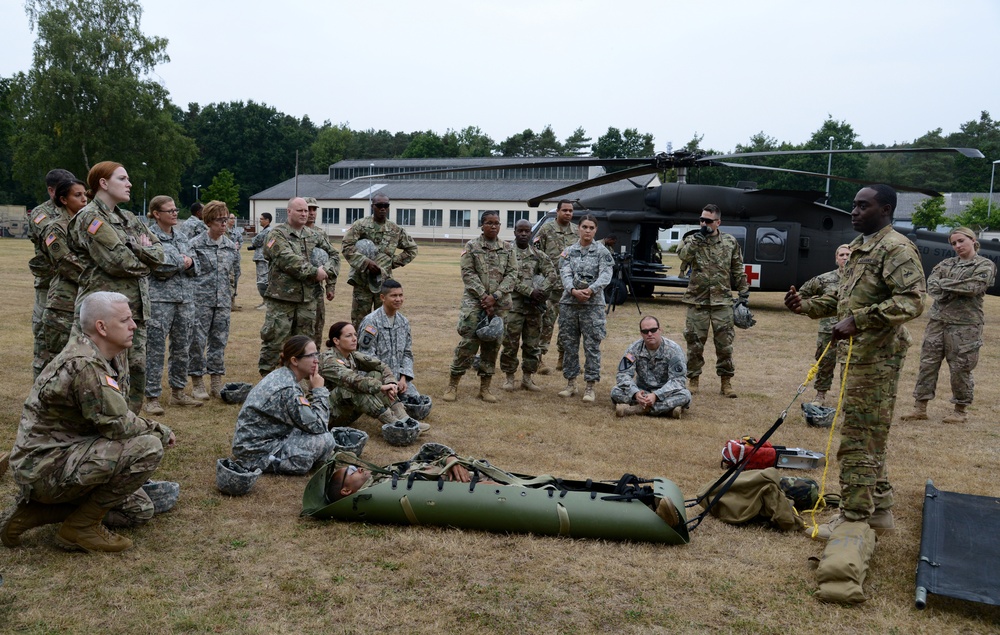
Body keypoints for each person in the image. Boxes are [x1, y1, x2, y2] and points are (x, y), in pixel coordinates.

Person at [784, 184, 925, 540]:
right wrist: (807, 306)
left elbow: (912, 301)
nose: (854, 211)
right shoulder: (862, 248)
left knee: (859, 438)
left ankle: (853, 516)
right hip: (857, 357)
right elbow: (846, 301)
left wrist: (860, 322)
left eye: (864, 206)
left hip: (877, 358)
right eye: (854, 205)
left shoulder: (895, 248)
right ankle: (879, 508)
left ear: (886, 210)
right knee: (870, 435)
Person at [2, 292, 175, 553]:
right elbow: (118, 425)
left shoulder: (109, 353)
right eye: (125, 320)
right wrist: (160, 430)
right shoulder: (85, 365)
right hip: (43, 468)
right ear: (101, 327)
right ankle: (81, 527)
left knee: (139, 510)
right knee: (148, 447)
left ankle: (39, 513)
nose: (133, 326)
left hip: (66, 454)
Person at [68, 161, 164, 414]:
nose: (129, 183)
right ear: (103, 183)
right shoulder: (90, 218)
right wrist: (146, 258)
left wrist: (142, 252)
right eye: (123, 178)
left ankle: (129, 428)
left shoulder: (129, 218)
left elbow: (161, 253)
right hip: (103, 315)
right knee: (99, 376)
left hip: (132, 313)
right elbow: (119, 262)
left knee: (136, 373)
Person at [900, 227, 996, 424]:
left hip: (965, 325)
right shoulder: (946, 263)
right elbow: (932, 285)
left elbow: (974, 287)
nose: (957, 246)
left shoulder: (985, 265)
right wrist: (949, 285)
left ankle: (960, 411)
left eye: (961, 241)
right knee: (927, 364)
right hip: (937, 322)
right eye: (953, 243)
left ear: (972, 239)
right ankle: (920, 408)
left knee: (961, 367)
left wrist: (944, 284)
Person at [232, 335, 336, 475]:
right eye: (311, 356)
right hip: (255, 452)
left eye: (317, 354)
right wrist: (318, 391)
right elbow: (319, 426)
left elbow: (307, 420)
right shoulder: (288, 389)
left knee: (318, 438)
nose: (316, 360)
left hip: (253, 443)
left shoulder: (283, 375)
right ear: (294, 360)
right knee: (326, 440)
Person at [443, 211, 517, 403]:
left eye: (497, 223)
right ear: (482, 225)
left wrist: (496, 296)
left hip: (499, 303)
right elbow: (467, 273)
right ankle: (453, 384)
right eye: (489, 223)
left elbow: (512, 275)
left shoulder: (508, 248)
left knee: (493, 344)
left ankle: (485, 387)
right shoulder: (472, 246)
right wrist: (484, 296)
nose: (493, 226)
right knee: (469, 342)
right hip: (475, 301)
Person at [258, 197, 337, 375]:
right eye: (300, 210)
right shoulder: (276, 235)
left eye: (306, 211)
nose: (305, 213)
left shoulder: (313, 235)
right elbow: (287, 259)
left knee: (304, 345)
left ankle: (299, 384)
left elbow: (334, 255)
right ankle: (268, 382)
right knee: (275, 342)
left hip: (307, 300)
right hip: (282, 300)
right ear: (289, 212)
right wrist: (314, 272)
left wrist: (326, 270)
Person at [677, 203, 749, 398]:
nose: (703, 223)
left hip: (722, 302)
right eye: (701, 219)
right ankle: (693, 380)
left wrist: (743, 294)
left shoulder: (730, 242)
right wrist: (695, 243)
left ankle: (726, 382)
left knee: (724, 345)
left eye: (708, 221)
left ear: (718, 222)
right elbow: (682, 256)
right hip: (697, 301)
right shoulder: (692, 239)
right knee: (694, 343)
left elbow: (738, 269)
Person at [144, 195, 202, 415]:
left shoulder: (182, 235)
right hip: (160, 301)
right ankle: (152, 397)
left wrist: (185, 261)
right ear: (157, 214)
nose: (175, 213)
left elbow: (197, 263)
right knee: (155, 350)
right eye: (170, 211)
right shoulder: (149, 236)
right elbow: (158, 267)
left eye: (176, 210)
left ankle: (178, 392)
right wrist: (182, 261)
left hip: (185, 300)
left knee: (182, 348)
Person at [319, 321, 427, 431]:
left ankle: (404, 418)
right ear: (336, 340)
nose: (354, 339)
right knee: (353, 388)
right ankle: (397, 426)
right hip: (327, 416)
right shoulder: (328, 360)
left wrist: (391, 383)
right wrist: (380, 387)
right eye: (348, 336)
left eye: (355, 335)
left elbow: (381, 366)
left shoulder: (351, 355)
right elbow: (353, 380)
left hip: (346, 411)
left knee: (376, 374)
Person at [322, 443, 501, 504]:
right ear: (346, 491)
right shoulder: (379, 493)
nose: (358, 468)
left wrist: (449, 459)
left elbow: (427, 449)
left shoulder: (387, 473)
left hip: (473, 474)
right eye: (352, 471)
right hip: (474, 487)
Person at [557, 214, 613, 402]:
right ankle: (571, 384)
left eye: (591, 228)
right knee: (569, 345)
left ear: (596, 230)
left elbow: (606, 275)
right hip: (570, 304)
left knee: (592, 346)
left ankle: (590, 387)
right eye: (584, 227)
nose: (588, 231)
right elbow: (565, 273)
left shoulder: (602, 252)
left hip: (593, 305)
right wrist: (573, 290)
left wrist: (590, 290)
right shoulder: (569, 251)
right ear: (578, 228)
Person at [35, 178, 87, 377]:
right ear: (64, 199)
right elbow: (67, 263)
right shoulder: (55, 228)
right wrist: (101, 275)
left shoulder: (86, 224)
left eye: (85, 194)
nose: (84, 199)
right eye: (78, 195)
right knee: (55, 361)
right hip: (64, 304)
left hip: (86, 300)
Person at [341, 193, 418, 328]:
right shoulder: (361, 225)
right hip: (362, 282)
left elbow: (412, 249)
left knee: (384, 322)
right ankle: (359, 349)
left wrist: (391, 263)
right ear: (373, 207)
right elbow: (347, 247)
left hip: (384, 284)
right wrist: (366, 263)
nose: (383, 208)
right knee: (360, 323)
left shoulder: (395, 229)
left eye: (386, 206)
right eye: (379, 205)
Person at [27, 168, 77, 375]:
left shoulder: (79, 210)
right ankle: (40, 395)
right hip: (49, 286)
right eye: (63, 190)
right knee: (46, 340)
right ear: (51, 191)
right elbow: (56, 238)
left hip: (74, 286)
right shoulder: (42, 214)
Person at [188, 201, 239, 399]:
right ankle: (197, 381)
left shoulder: (229, 246)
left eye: (226, 220)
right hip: (200, 301)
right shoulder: (195, 245)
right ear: (209, 221)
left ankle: (216, 380)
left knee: (219, 340)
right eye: (220, 220)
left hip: (223, 302)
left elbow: (232, 274)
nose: (224, 224)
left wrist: (231, 295)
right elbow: (191, 274)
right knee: (197, 342)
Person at [500, 219, 554, 392]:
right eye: (520, 231)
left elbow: (552, 274)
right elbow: (506, 278)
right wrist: (529, 291)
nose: (523, 234)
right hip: (513, 307)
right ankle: (509, 378)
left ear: (531, 233)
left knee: (532, 345)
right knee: (510, 344)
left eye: (527, 231)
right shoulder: (506, 253)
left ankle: (527, 378)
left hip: (533, 309)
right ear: (514, 232)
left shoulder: (538, 255)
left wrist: (541, 290)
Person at [797, 244, 852, 405]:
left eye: (848, 254)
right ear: (836, 258)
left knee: (848, 365)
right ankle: (820, 395)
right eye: (841, 255)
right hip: (828, 330)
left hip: (851, 330)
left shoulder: (860, 280)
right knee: (825, 362)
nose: (845, 257)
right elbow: (802, 293)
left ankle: (846, 399)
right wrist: (814, 305)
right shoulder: (825, 279)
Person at [611, 316, 692, 418]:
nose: (649, 334)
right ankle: (667, 411)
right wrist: (635, 393)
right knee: (615, 391)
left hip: (665, 393)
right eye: (645, 331)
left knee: (685, 395)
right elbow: (623, 374)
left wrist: (656, 395)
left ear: (660, 330)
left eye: (653, 330)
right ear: (641, 333)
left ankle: (636, 409)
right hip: (642, 392)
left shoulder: (673, 350)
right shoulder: (634, 349)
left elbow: (678, 380)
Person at [358, 279, 422, 399]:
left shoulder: (403, 322)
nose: (398, 299)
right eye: (393, 296)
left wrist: (403, 379)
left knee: (417, 405)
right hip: (376, 378)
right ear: (383, 297)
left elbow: (407, 354)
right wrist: (389, 380)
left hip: (398, 379)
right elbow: (367, 356)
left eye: (400, 295)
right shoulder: (371, 322)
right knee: (392, 407)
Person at [534, 199, 578, 374]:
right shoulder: (546, 230)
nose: (568, 213)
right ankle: (539, 359)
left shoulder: (577, 231)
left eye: (570, 211)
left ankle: (563, 359)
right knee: (546, 324)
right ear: (558, 212)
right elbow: (537, 256)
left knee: (568, 326)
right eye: (565, 210)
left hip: (569, 288)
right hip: (551, 288)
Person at [304, 196, 341, 348]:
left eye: (314, 209)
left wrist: (330, 286)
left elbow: (331, 259)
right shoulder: (291, 233)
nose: (311, 213)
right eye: (308, 209)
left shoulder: (320, 234)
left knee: (318, 325)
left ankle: (314, 359)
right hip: (297, 287)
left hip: (316, 288)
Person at [248, 212, 273, 309]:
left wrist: (255, 242)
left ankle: (267, 302)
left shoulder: (267, 231)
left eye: (262, 219)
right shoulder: (268, 231)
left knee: (263, 281)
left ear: (267, 220)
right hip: (263, 257)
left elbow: (255, 241)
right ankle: (265, 301)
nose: (260, 220)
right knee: (263, 280)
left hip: (263, 258)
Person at [226, 213, 244, 310]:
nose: (233, 220)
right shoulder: (224, 231)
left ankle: (233, 301)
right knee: (229, 280)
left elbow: (241, 241)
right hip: (227, 259)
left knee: (236, 278)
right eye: (231, 218)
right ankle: (228, 302)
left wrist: (238, 246)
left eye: (234, 218)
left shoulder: (236, 232)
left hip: (236, 259)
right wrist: (233, 245)